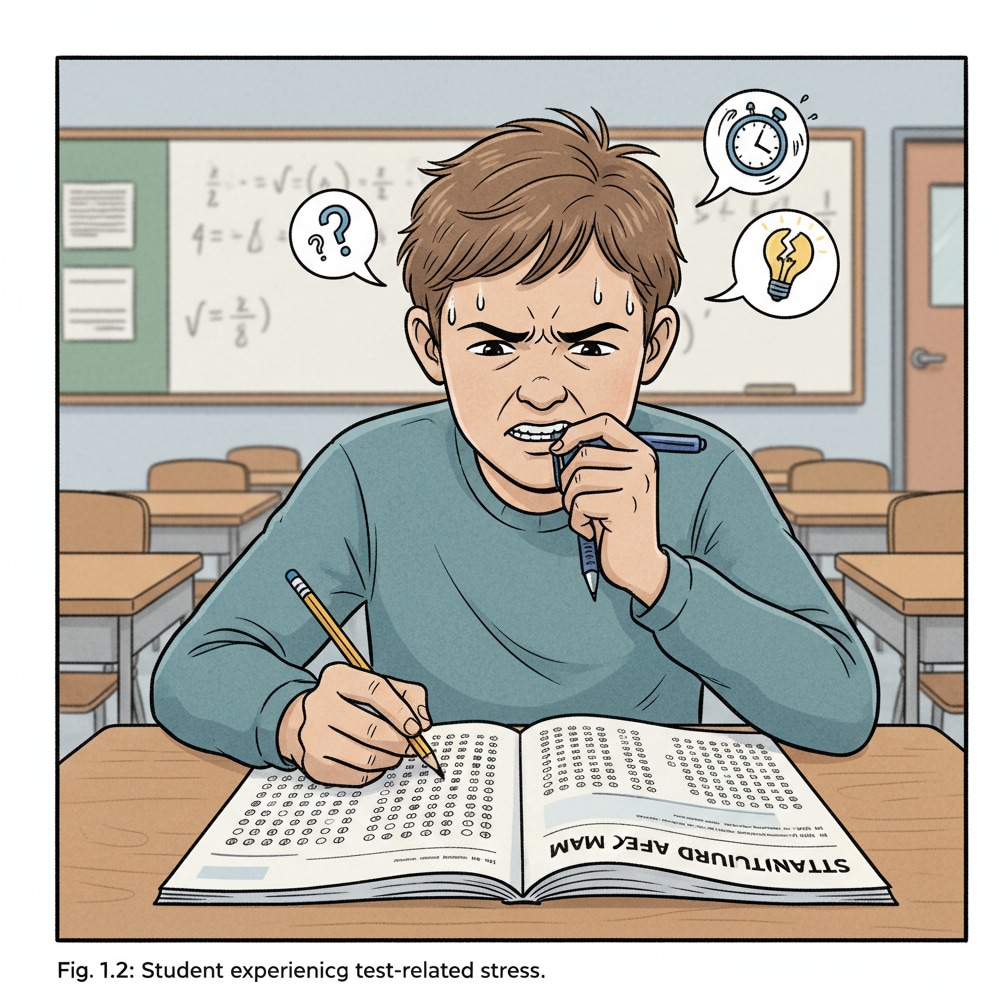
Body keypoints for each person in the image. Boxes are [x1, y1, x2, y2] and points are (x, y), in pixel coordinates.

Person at [152, 110, 878, 785]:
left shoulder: (702, 471)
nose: (541, 389)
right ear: (430, 346)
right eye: (496, 345)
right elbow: (195, 666)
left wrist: (656, 575)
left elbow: (844, 703)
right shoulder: (371, 474)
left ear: (653, 346)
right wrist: (293, 717)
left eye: (588, 346)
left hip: (638, 837)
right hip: (434, 824)